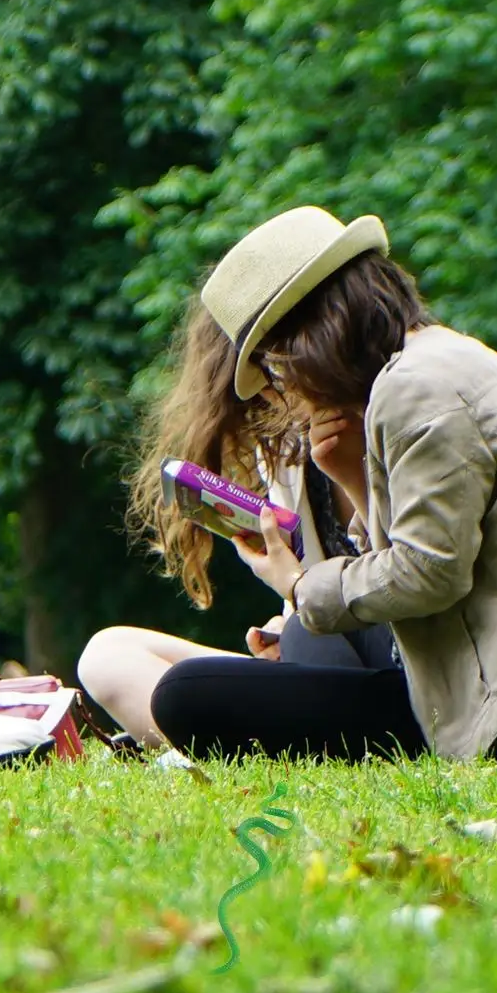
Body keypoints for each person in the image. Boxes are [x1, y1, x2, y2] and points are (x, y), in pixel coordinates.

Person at [129, 204, 497, 760]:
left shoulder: (415, 389)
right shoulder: (434, 363)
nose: (287, 392)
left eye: (277, 367)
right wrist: (349, 473)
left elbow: (430, 575)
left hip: (487, 704)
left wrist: (300, 586)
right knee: (294, 641)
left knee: (187, 694)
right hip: (456, 676)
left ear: (316, 332)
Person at [78, 304, 400, 750]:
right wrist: (289, 619)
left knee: (186, 691)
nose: (274, 403)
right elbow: (315, 606)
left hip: (406, 680)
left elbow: (410, 581)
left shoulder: (396, 415)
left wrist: (351, 478)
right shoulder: (290, 457)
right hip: (337, 673)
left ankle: (210, 749)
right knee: (107, 654)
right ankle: (220, 746)